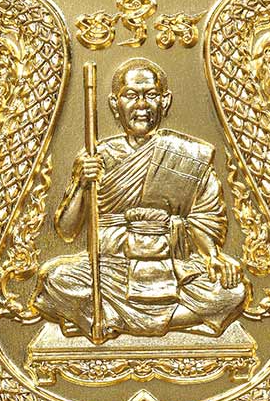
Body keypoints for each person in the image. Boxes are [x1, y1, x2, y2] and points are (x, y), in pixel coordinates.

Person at [34, 58, 248, 341]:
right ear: (115, 104)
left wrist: (213, 256)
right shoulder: (97, 156)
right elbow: (66, 230)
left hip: (171, 265)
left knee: (232, 291)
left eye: (151, 95)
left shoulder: (189, 156)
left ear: (165, 102)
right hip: (112, 268)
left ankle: (107, 319)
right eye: (131, 95)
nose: (142, 105)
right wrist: (82, 183)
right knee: (55, 278)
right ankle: (164, 321)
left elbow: (204, 218)